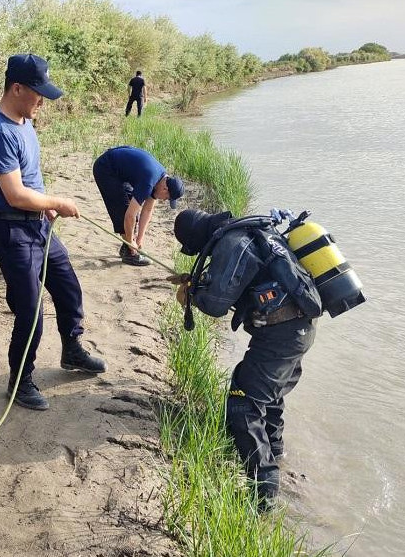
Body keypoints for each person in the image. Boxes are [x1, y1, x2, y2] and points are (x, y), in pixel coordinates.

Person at [0, 53, 106, 411]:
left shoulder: (24, 121)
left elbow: (29, 181)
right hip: (13, 233)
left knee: (68, 289)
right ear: (17, 88)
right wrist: (58, 201)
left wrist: (45, 206)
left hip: (39, 226)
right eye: (38, 93)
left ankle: (72, 350)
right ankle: (20, 383)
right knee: (30, 313)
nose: (43, 101)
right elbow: (14, 194)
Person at [172, 209, 321, 510]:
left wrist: (191, 296)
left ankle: (264, 495)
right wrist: (199, 282)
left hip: (281, 336)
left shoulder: (231, 242)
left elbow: (215, 305)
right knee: (269, 396)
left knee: (243, 404)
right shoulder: (248, 231)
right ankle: (276, 456)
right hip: (299, 329)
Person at [93, 146, 184, 266]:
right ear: (165, 188)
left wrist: (140, 238)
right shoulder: (149, 182)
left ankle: (128, 247)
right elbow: (129, 216)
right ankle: (130, 253)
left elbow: (148, 209)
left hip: (120, 172)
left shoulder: (160, 180)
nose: (164, 200)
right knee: (123, 210)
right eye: (167, 198)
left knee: (132, 211)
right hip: (105, 168)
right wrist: (131, 242)